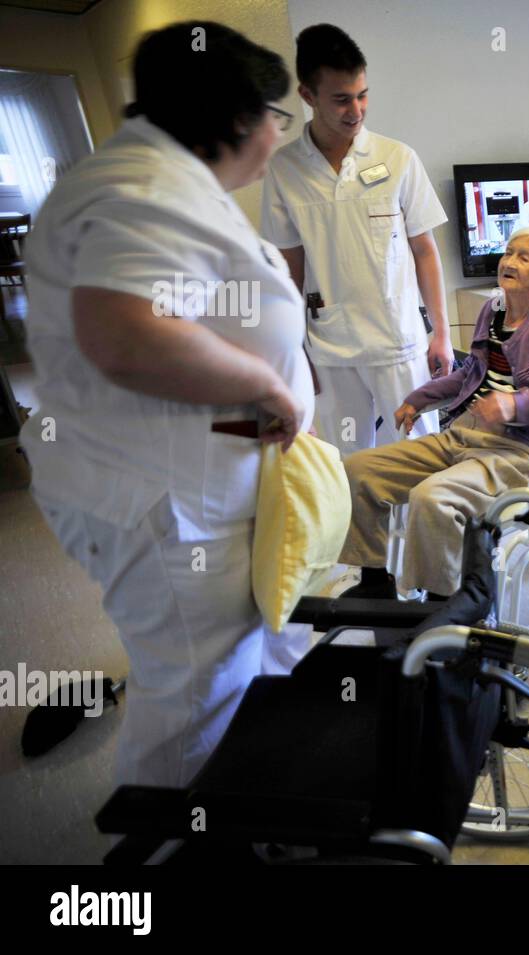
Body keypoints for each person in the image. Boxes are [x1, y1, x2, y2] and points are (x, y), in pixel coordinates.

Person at [19, 23, 315, 788]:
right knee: (193, 696)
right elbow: (124, 328)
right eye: (277, 118)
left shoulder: (151, 175)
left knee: (228, 668)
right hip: (169, 498)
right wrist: (271, 386)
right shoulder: (150, 187)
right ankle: (158, 852)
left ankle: (248, 799)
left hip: (162, 476)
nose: (278, 137)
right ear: (239, 118)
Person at [338, 227, 529, 599]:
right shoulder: (492, 310)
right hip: (463, 434)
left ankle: (443, 606)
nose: (508, 261)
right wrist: (421, 398)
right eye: (508, 252)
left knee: (433, 499)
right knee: (359, 470)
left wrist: (515, 404)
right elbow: (470, 374)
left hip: (518, 450)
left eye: (525, 257)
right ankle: (375, 584)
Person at [261, 23, 452, 452]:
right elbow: (290, 267)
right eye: (342, 99)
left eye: (363, 94)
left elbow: (425, 250)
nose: (357, 109)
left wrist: (440, 333)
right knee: (346, 459)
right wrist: (294, 350)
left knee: (418, 455)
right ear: (308, 96)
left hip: (399, 342)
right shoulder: (285, 170)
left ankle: (415, 524)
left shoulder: (397, 157)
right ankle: (360, 524)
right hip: (331, 347)